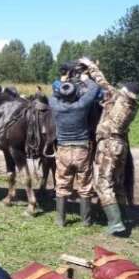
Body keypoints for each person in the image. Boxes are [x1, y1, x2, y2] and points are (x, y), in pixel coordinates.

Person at [77, 57, 139, 236]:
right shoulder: (131, 105)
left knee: (102, 182)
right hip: (121, 144)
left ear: (125, 91)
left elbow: (102, 82)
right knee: (117, 183)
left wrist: (90, 67)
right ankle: (123, 216)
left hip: (109, 145)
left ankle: (115, 222)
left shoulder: (118, 97)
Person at [48, 70, 100, 227]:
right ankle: (86, 221)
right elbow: (95, 89)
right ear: (76, 94)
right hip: (82, 150)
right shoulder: (82, 105)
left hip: (63, 150)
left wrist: (61, 81)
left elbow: (53, 95)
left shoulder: (55, 106)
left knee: (62, 184)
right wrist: (86, 79)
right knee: (84, 186)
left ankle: (60, 220)